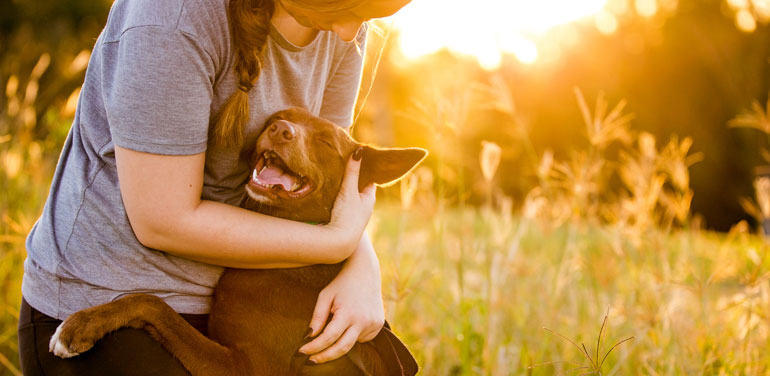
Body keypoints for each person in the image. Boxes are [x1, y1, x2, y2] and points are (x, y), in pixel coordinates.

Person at [17, 0, 411, 374]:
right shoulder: (175, 16)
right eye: (347, 6)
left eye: (370, 13)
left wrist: (361, 266)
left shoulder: (344, 28)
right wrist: (338, 244)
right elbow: (162, 221)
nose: (350, 32)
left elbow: (332, 179)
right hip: (112, 294)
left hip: (263, 297)